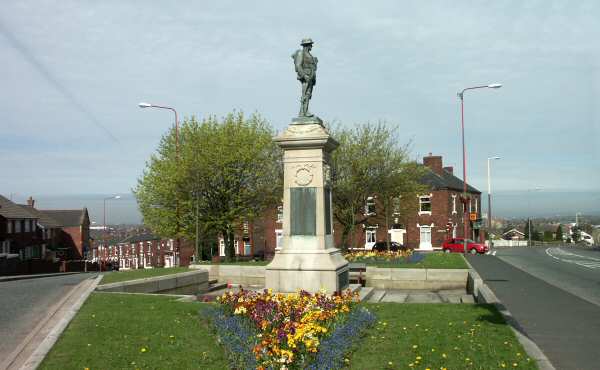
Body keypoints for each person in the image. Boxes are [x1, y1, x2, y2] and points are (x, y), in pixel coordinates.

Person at [292, 38, 318, 117]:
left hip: (311, 76)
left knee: (308, 94)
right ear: (307, 45)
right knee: (305, 94)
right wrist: (304, 75)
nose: (311, 46)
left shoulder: (310, 55)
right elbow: (298, 66)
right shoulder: (301, 53)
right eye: (310, 44)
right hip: (306, 76)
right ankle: (304, 112)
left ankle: (302, 112)